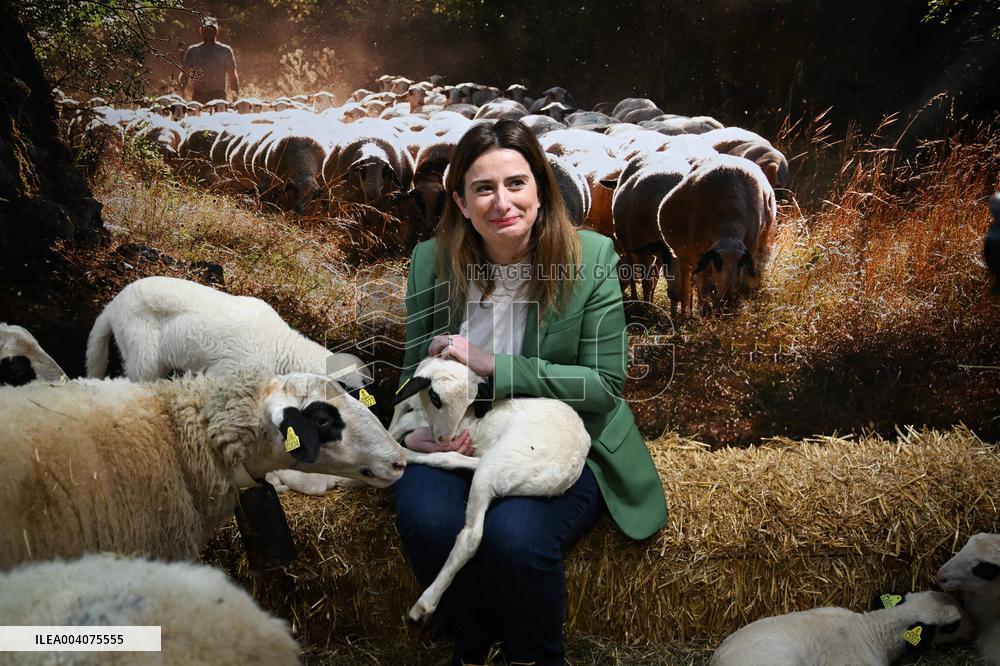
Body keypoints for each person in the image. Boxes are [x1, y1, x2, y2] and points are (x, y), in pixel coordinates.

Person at [393, 119, 668, 666]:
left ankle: (536, 655)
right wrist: (414, 434)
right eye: (483, 188)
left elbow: (604, 385)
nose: (502, 202)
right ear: (461, 201)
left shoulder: (590, 259)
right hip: (461, 433)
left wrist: (495, 365)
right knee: (427, 524)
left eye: (516, 183)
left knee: (513, 540)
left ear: (541, 189)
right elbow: (408, 373)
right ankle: (470, 648)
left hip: (559, 436)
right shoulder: (430, 261)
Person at [178, 16, 239, 104]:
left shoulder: (225, 50)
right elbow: (185, 74)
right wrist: (180, 96)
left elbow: (232, 76)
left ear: (216, 31)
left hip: (219, 96)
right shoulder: (193, 50)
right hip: (198, 96)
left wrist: (235, 98)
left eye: (211, 29)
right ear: (200, 30)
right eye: (206, 29)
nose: (208, 32)